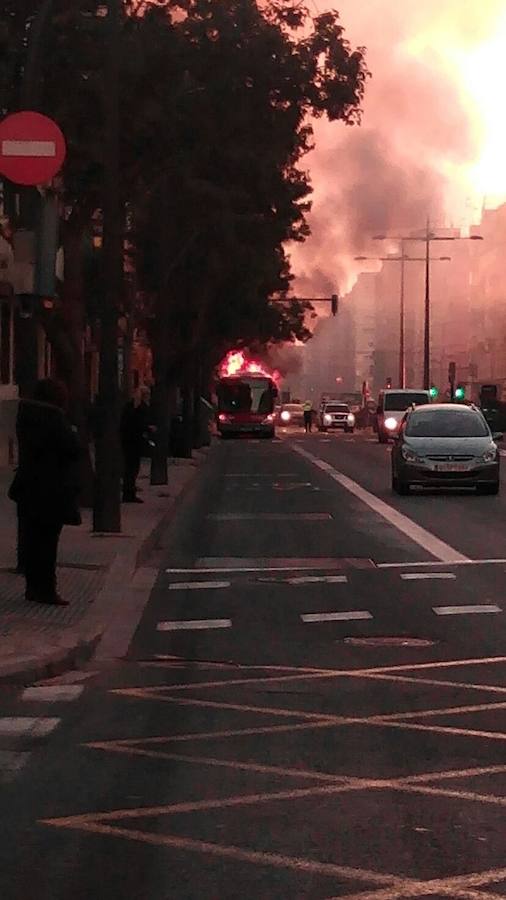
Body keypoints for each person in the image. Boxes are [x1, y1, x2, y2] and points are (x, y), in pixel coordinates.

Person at [8, 379, 81, 606]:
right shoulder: (54, 419)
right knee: (48, 543)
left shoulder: (26, 415)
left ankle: (33, 586)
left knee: (32, 538)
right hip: (51, 489)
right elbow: (72, 448)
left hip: (28, 486)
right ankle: (46, 589)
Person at [120, 387, 153, 503]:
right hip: (133, 441)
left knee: (131, 468)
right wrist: (148, 428)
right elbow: (139, 424)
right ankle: (129, 493)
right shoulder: (139, 407)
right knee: (132, 468)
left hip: (128, 441)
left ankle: (129, 491)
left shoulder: (131, 406)